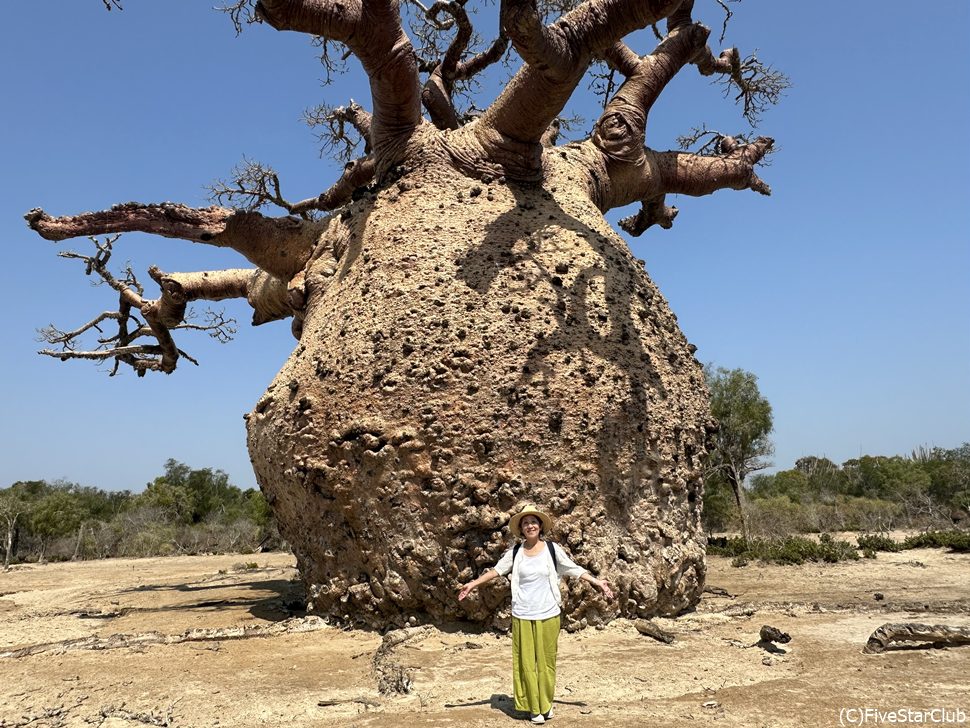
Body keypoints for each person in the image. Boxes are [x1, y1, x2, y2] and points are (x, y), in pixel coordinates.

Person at [458, 504, 614, 724]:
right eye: (525, 522)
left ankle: (545, 704)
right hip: (523, 614)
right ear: (521, 529)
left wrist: (597, 582)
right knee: (527, 662)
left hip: (549, 613)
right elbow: (496, 570)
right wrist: (473, 584)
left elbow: (573, 568)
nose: (530, 525)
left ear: (540, 526)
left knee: (547, 661)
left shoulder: (552, 549)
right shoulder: (515, 552)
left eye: (533, 522)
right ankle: (534, 708)